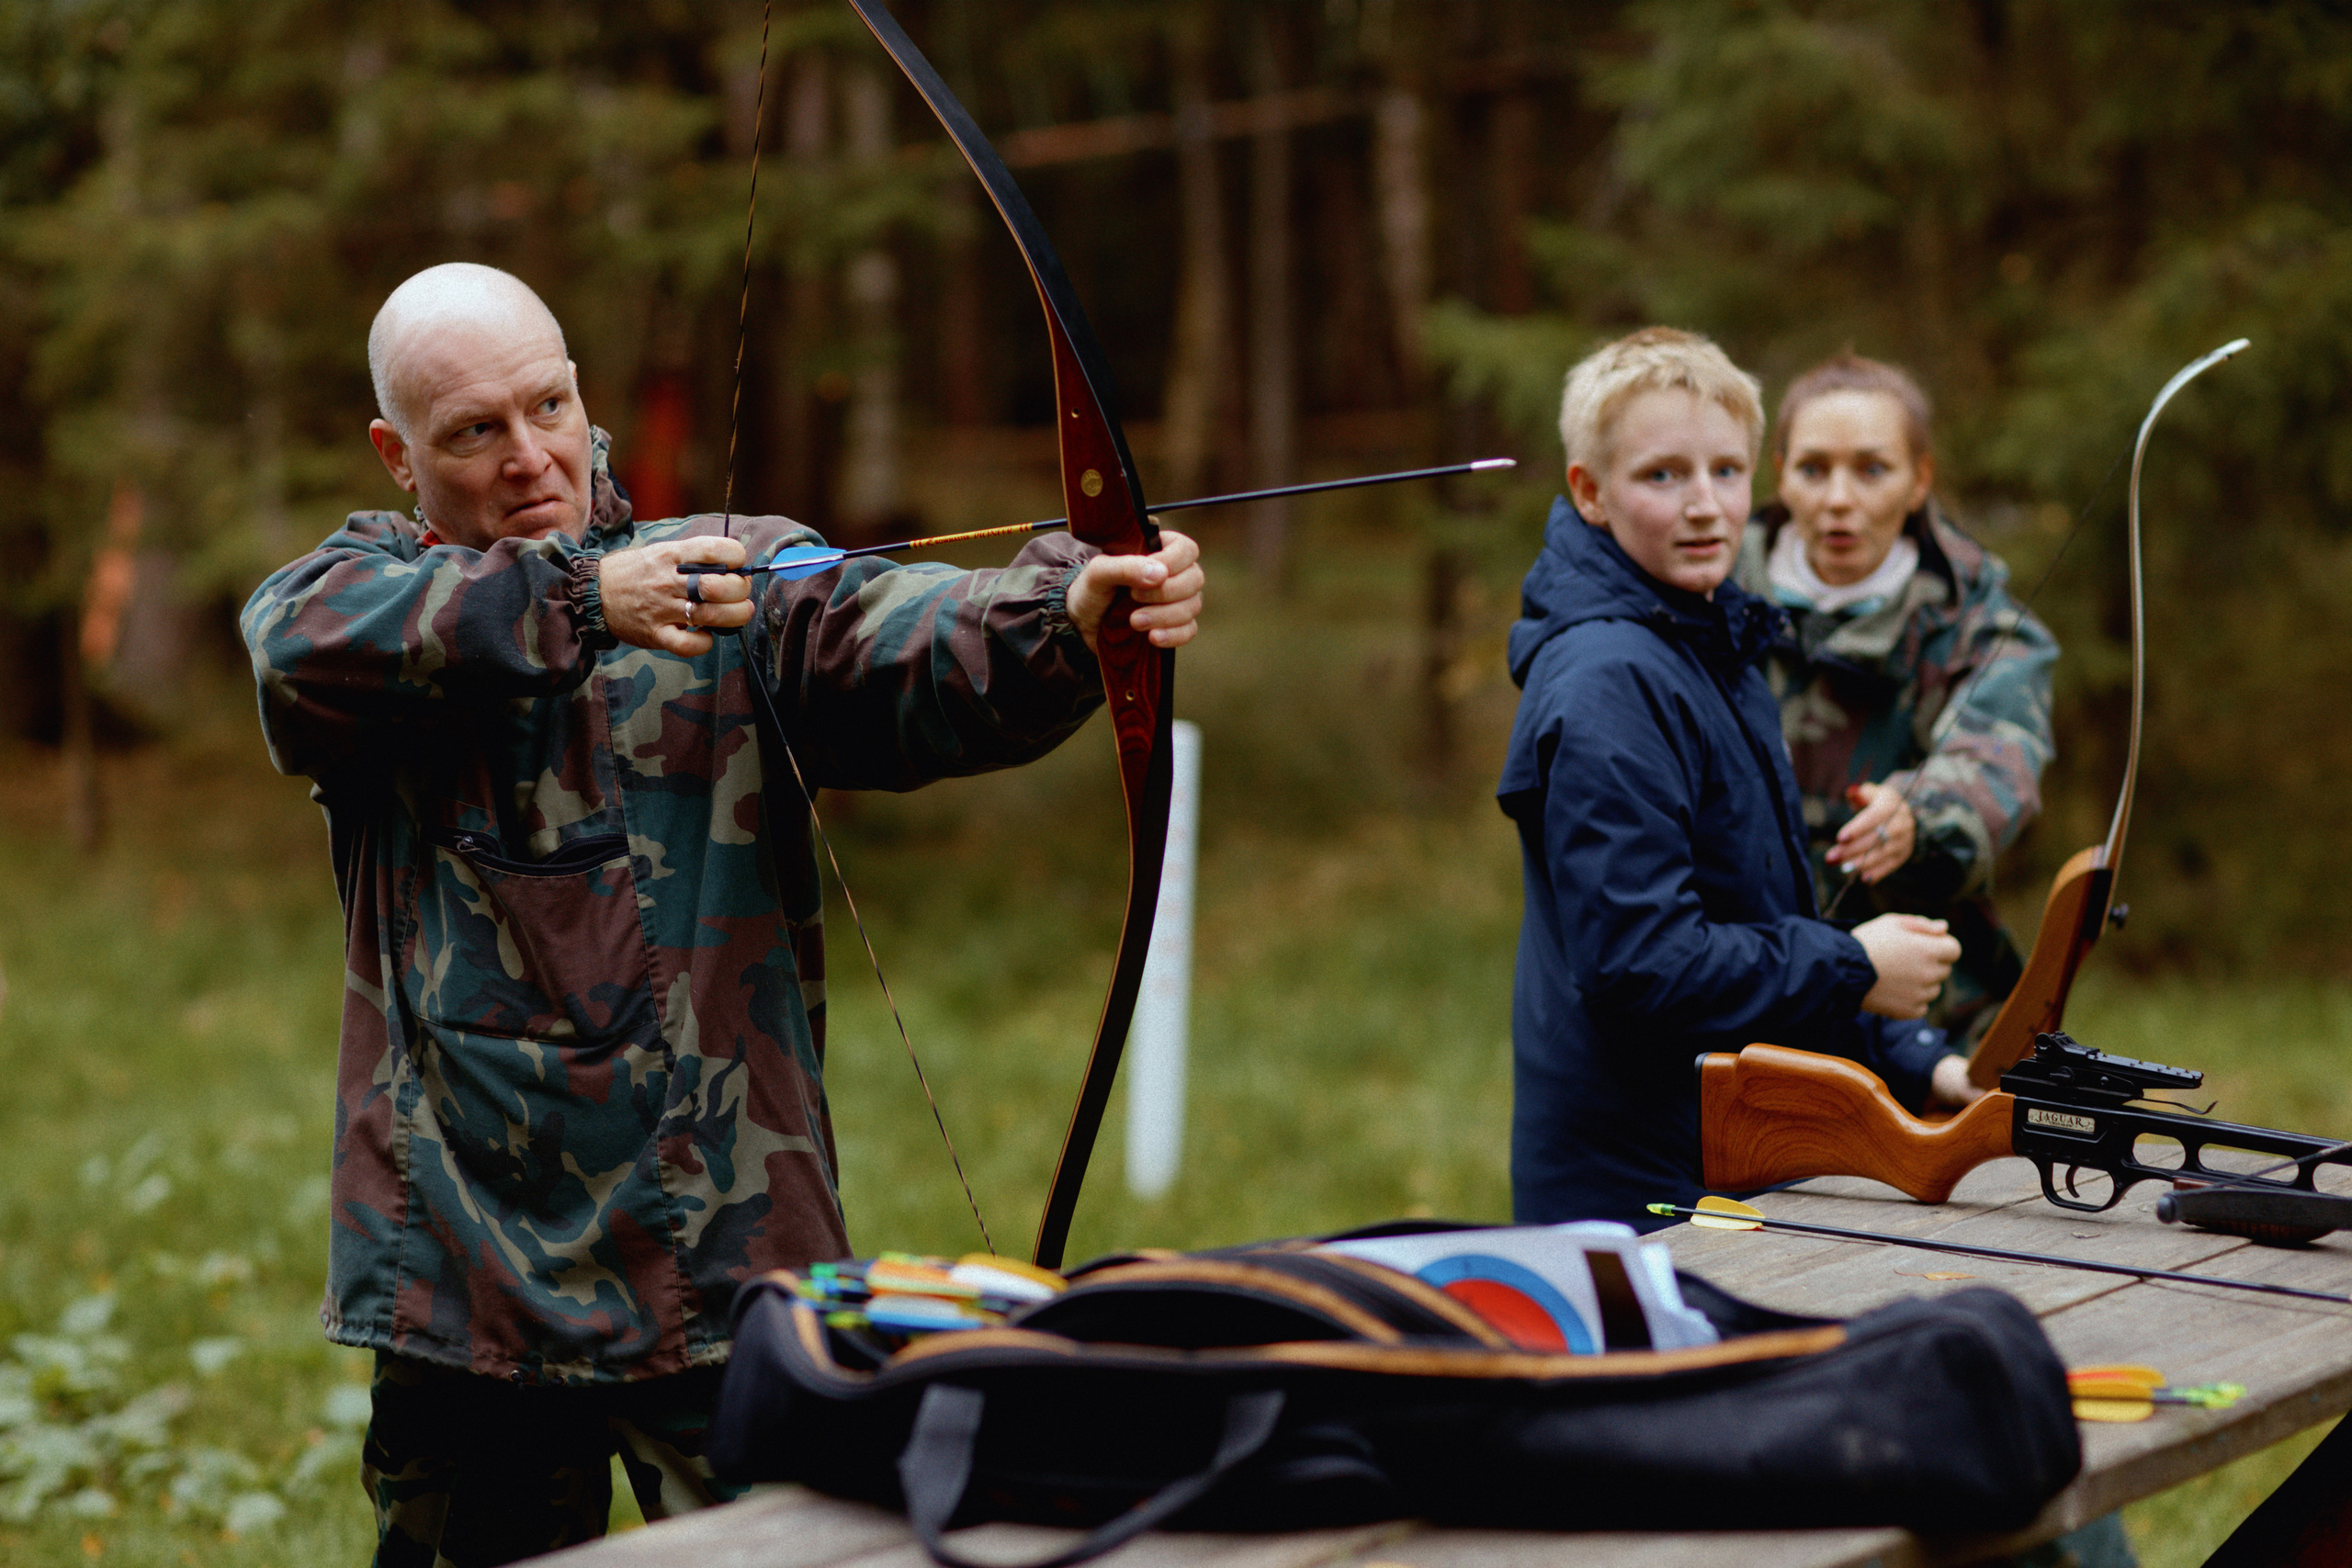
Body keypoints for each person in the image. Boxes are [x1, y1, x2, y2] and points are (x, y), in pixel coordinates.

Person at [239, 263, 1204, 1564]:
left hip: (726, 1254)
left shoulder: (733, 576)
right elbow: (293, 643)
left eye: (550, 406)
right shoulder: (367, 607)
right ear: (396, 455)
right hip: (473, 1287)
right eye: (474, 430)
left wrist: (1070, 608)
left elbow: (901, 635)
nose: (531, 456)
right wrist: (583, 599)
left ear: (588, 404)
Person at [1498, 327, 1969, 1235]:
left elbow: (1749, 921)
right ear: (1589, 493)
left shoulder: (1711, 642)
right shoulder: (1607, 681)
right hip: (1635, 1189)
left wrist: (1923, 1064)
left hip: (1722, 1151)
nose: (1705, 505)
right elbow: (1641, 966)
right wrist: (1856, 965)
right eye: (1662, 476)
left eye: (1725, 471)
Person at [1733, 353, 2058, 1047]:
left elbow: (1997, 760)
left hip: (1929, 1011)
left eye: (1872, 469)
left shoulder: (1982, 626)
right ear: (1780, 474)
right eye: (1814, 469)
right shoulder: (1709, 606)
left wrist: (1918, 812)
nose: (1839, 498)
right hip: (1746, 995)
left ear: (1920, 481)